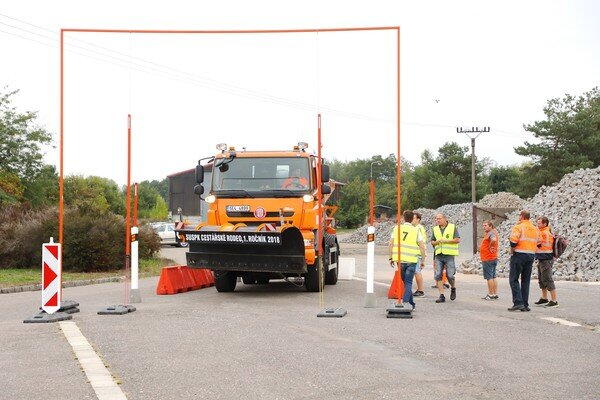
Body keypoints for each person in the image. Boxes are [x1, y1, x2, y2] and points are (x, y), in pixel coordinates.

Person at [390, 210, 426, 310]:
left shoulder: (397, 228)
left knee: (405, 282)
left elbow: (391, 244)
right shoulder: (416, 230)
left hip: (400, 260)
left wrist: (391, 257)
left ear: (403, 218)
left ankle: (405, 302)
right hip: (412, 260)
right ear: (412, 219)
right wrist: (423, 260)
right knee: (408, 282)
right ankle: (410, 303)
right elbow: (422, 246)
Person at [508, 210, 541, 312]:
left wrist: (512, 249)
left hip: (519, 255)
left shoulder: (519, 227)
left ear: (522, 216)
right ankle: (525, 304)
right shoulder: (535, 228)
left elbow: (513, 241)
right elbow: (539, 243)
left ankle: (518, 302)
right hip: (530, 255)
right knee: (525, 280)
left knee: (513, 279)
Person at [431, 213, 460, 303]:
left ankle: (453, 288)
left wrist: (446, 241)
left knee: (450, 275)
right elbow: (432, 242)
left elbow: (457, 240)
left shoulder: (452, 227)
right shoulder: (435, 229)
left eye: (439, 219)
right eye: (436, 219)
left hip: (449, 256)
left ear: (445, 219)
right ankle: (441, 295)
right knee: (438, 275)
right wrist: (436, 242)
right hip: (438, 255)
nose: (438, 220)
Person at [534, 216, 558, 307]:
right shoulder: (544, 232)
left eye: (539, 223)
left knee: (547, 279)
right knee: (541, 279)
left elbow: (538, 244)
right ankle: (544, 298)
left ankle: (554, 300)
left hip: (546, 258)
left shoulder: (544, 233)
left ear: (545, 224)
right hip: (542, 258)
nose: (537, 224)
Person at [480, 220, 499, 300]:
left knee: (489, 277)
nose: (484, 227)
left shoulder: (491, 233)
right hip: (493, 257)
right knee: (493, 276)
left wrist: (490, 246)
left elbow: (493, 240)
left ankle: (490, 294)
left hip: (488, 258)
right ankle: (494, 294)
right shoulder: (492, 232)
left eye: (485, 225)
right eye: (483, 225)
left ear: (490, 226)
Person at [411, 212, 427, 297]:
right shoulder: (416, 228)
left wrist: (423, 257)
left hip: (418, 253)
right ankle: (419, 289)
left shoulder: (419, 228)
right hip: (417, 252)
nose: (412, 220)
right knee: (416, 271)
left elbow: (421, 243)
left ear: (418, 220)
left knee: (417, 271)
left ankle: (421, 291)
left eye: (413, 218)